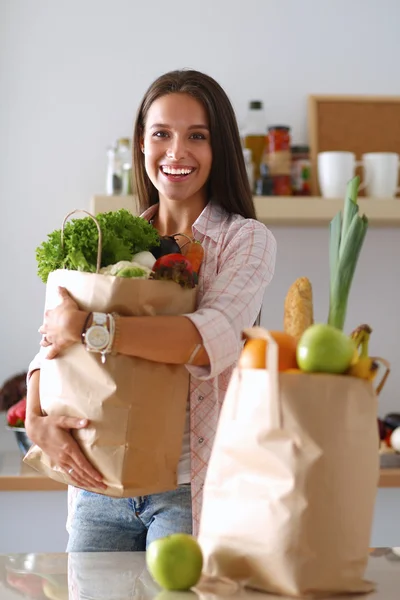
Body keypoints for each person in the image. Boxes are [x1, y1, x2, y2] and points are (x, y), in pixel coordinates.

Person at [25, 69, 277, 552]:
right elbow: (52, 341)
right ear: (141, 144)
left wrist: (91, 328)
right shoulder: (108, 238)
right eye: (161, 134)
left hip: (190, 488)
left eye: (196, 136)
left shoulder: (244, 242)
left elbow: (208, 337)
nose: (176, 152)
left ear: (218, 148)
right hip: (97, 481)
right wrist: (36, 418)